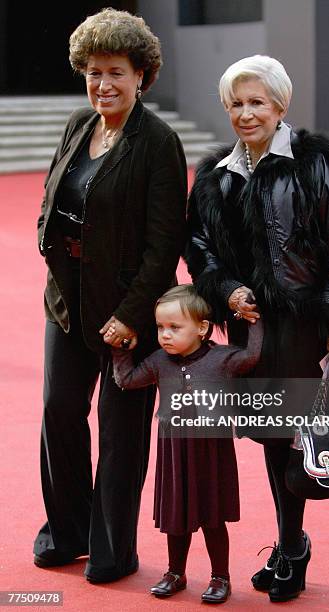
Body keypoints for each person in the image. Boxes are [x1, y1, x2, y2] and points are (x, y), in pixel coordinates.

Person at [185, 55, 329, 602]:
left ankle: (292, 546)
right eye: (236, 104)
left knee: (300, 445)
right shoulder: (218, 173)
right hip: (252, 328)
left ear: (280, 105)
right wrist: (225, 290)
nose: (246, 114)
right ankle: (291, 543)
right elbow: (196, 246)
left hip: (305, 326)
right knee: (271, 437)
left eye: (256, 103)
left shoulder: (315, 162)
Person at [33, 8, 187, 584]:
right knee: (59, 414)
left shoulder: (159, 142)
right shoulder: (79, 124)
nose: (103, 84)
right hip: (67, 302)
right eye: (94, 72)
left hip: (128, 311)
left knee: (122, 438)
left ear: (141, 75)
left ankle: (111, 550)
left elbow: (164, 241)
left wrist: (131, 314)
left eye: (116, 72)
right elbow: (55, 195)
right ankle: (66, 531)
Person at [112, 284, 263, 603]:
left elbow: (252, 356)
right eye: (160, 327)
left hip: (211, 452)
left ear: (202, 328)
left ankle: (220, 577)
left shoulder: (222, 359)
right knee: (175, 515)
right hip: (174, 452)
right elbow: (126, 380)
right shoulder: (158, 361)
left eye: (174, 327)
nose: (165, 335)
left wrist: (249, 318)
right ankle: (175, 573)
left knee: (213, 515)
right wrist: (122, 348)